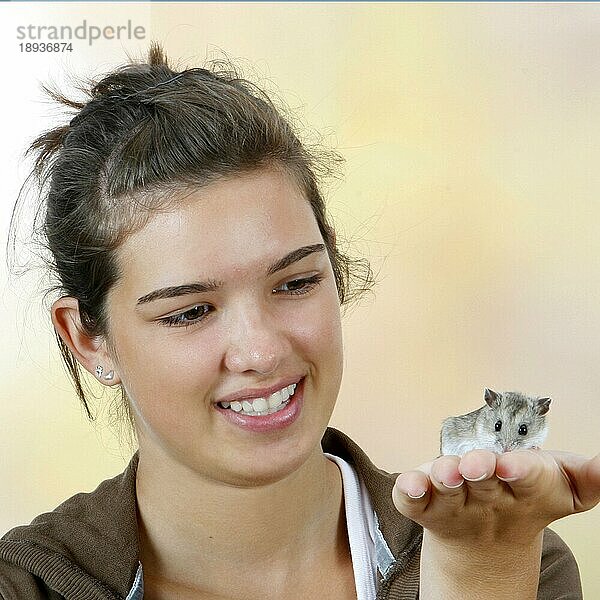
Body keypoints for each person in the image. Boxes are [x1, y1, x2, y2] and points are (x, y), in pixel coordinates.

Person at [1, 41, 598, 600]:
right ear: (88, 338)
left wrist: (479, 575)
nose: (261, 351)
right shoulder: (24, 587)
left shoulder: (515, 561)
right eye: (190, 312)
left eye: (295, 283)